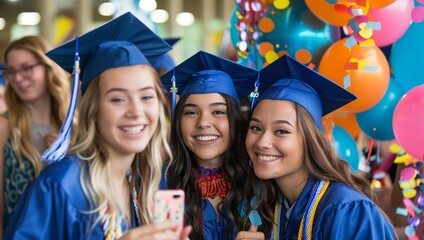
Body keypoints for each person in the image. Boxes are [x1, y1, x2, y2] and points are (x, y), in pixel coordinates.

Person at [5, 12, 191, 239]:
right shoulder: (57, 187)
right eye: (118, 99)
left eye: (146, 97)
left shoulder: (145, 184)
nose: (136, 111)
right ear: (92, 111)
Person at [236, 55, 397, 239]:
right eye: (256, 128)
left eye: (281, 131)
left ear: (310, 139)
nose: (262, 142)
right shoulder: (268, 207)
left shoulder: (347, 211)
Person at [160, 50, 258, 239]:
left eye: (218, 112)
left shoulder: (259, 186)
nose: (204, 122)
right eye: (191, 112)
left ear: (236, 121)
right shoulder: (162, 186)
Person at [0, 35, 76, 233]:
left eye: (26, 68)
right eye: (11, 71)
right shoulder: (5, 126)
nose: (17, 78)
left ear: (48, 66)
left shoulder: (75, 126)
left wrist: (72, 153)